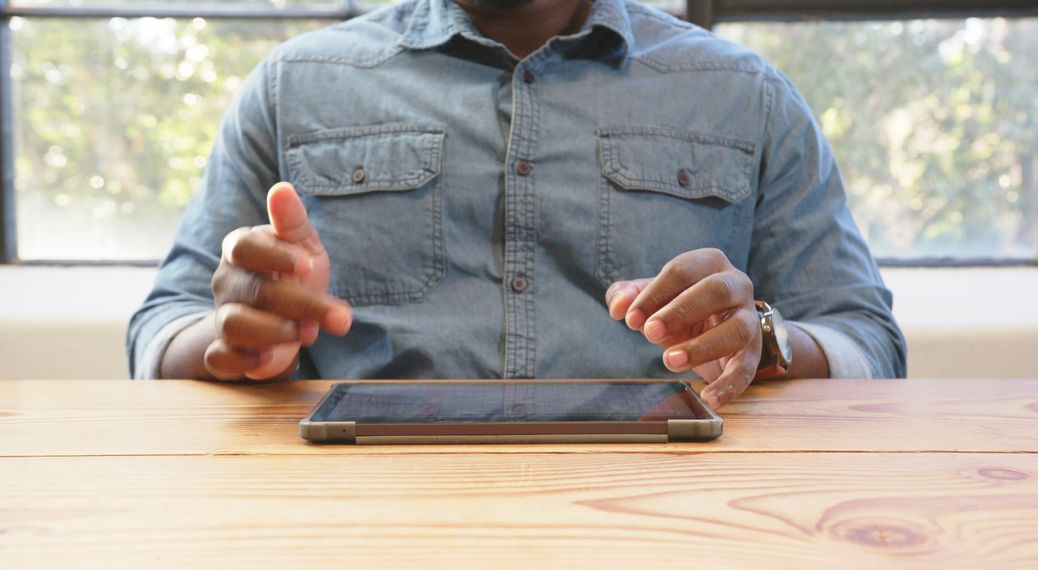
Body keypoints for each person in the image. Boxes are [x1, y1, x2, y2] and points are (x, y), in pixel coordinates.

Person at [127, 0, 907, 408]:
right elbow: (159, 332)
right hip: (357, 516)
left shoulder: (747, 96)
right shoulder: (292, 87)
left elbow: (869, 342)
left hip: (672, 518)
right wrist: (231, 337)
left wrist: (763, 342)